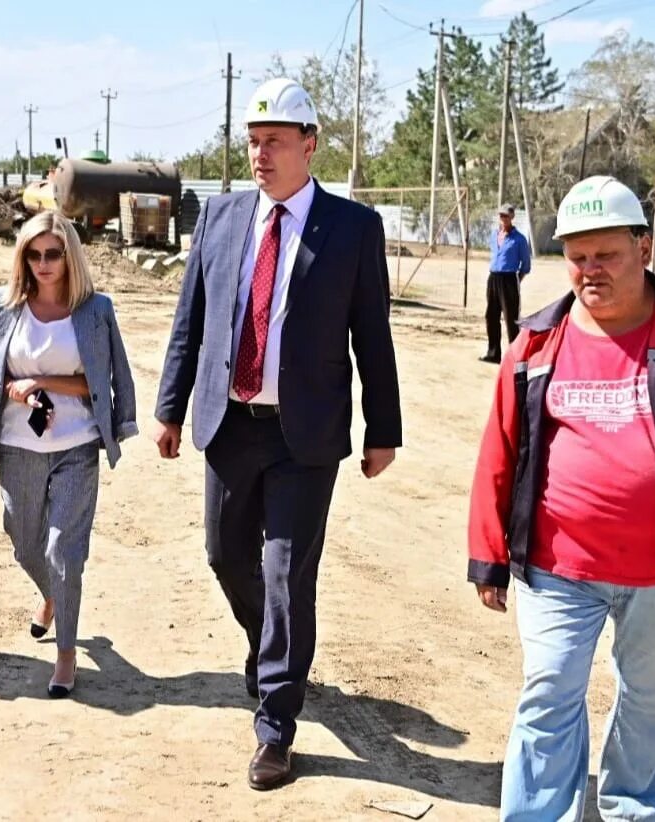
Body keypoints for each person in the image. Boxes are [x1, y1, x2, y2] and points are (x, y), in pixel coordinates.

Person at [467, 175, 655, 820]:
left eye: (606, 254)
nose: (589, 271)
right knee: (548, 693)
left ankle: (632, 809)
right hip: (557, 568)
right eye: (577, 258)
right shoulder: (537, 340)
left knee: (654, 702)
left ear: (644, 245)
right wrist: (489, 553)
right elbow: (500, 448)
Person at [153, 78, 402, 790]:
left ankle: (275, 727)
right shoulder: (223, 216)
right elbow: (190, 320)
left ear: (310, 145)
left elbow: (372, 337)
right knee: (225, 556)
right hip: (229, 424)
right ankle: (272, 652)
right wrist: (171, 407)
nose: (261, 155)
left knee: (287, 572)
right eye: (254, 143)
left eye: (275, 142)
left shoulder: (352, 228)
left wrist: (384, 428)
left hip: (306, 436)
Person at [0, 210, 137, 698]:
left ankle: (66, 652)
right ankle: (53, 597)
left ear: (69, 255)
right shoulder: (0, 305)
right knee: (23, 538)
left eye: (52, 253)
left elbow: (103, 378)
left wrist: (46, 383)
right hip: (18, 444)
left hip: (77, 444)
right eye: (33, 255)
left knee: (64, 549)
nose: (42, 264)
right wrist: (3, 396)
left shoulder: (96, 310)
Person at [480, 203, 531, 364]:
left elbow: (526, 265)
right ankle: (493, 353)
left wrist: (517, 280)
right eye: (501, 215)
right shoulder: (494, 235)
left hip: (509, 279)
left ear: (512, 217)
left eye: (506, 216)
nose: (503, 219)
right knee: (491, 316)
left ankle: (516, 357)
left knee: (511, 318)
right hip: (493, 278)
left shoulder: (519, 239)